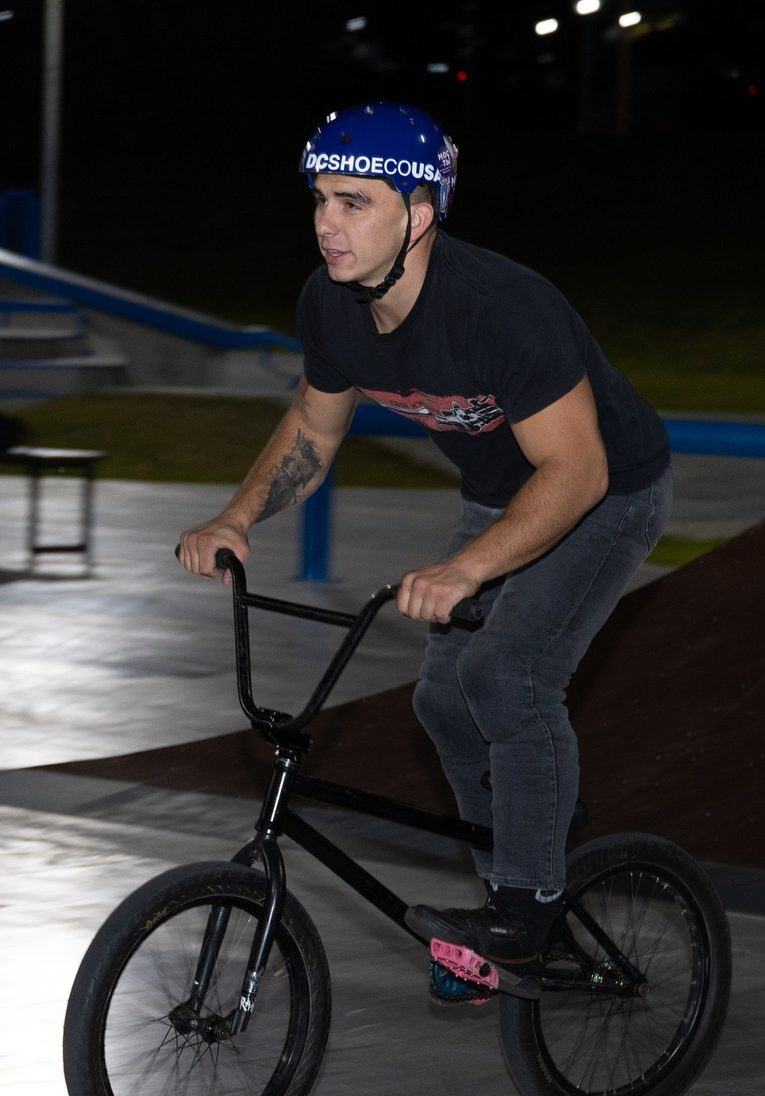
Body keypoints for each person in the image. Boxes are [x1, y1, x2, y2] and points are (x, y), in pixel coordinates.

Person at [175, 102, 673, 998]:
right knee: (443, 696)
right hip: (500, 493)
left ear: (420, 214)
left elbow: (577, 470)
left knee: (506, 677)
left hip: (606, 492)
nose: (328, 223)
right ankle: (524, 855)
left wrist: (469, 565)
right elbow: (313, 432)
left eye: (354, 203)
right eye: (321, 200)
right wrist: (237, 518)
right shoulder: (329, 303)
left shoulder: (501, 308)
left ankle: (527, 914)